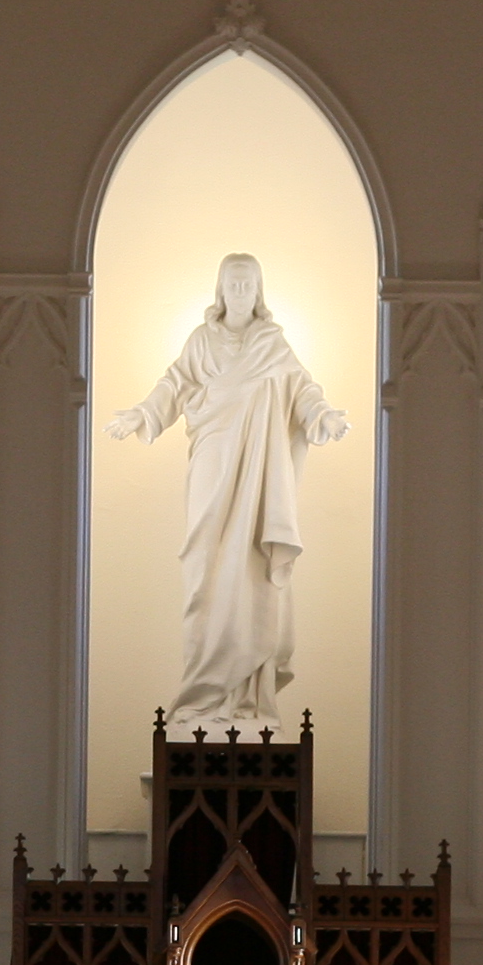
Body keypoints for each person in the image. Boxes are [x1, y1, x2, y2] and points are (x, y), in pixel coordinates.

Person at [106, 250, 349, 728]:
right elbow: (174, 383)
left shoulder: (274, 344)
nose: (239, 292)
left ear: (258, 292)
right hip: (212, 458)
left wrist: (323, 416)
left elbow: (303, 390)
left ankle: (248, 698)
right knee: (205, 565)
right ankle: (202, 694)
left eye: (247, 284)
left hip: (259, 473)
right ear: (220, 290)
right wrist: (141, 414)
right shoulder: (201, 341)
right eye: (232, 284)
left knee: (251, 567)